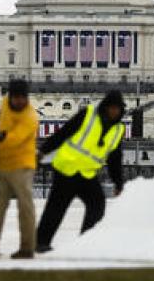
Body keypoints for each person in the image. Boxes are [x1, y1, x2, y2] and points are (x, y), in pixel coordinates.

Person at [35, 91, 127, 253]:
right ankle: (41, 242)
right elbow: (64, 133)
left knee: (97, 203)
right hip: (67, 169)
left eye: (117, 109)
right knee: (57, 207)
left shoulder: (118, 130)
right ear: (105, 107)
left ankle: (86, 241)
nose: (114, 111)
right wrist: (43, 151)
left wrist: (118, 183)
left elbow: (115, 158)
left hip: (86, 174)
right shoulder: (88, 115)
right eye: (111, 108)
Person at [0, 79, 39, 260]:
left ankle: (27, 248)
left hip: (22, 167)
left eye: (22, 98)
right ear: (10, 97)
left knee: (25, 208)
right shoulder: (5, 103)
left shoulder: (30, 118)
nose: (19, 101)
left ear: (27, 98)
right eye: (15, 97)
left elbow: (12, 139)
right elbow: (3, 113)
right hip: (2, 165)